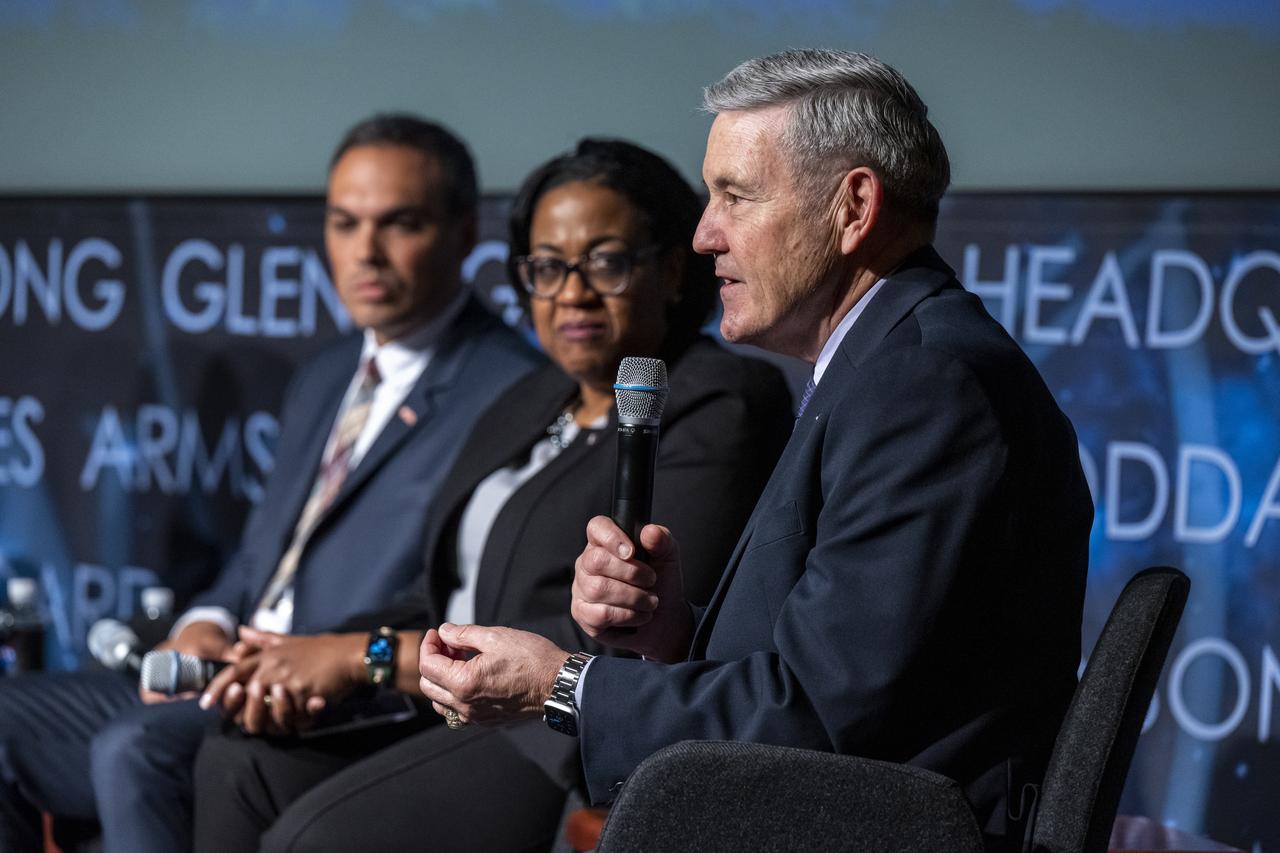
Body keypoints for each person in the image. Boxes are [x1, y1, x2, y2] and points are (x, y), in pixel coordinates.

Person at [417, 49, 1095, 851]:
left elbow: (816, 715)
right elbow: (849, 669)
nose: (705, 235)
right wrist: (672, 632)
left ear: (853, 207)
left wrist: (560, 685)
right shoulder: (882, 365)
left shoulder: (926, 387)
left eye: (735, 196)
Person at [189, 139, 793, 853]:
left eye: (604, 261)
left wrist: (366, 656)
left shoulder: (718, 399)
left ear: (666, 268)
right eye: (546, 267)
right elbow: (440, 590)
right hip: (444, 704)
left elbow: (641, 627)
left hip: (556, 727)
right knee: (236, 764)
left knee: (315, 838)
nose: (572, 291)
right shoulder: (533, 396)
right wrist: (311, 652)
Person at [0, 114, 543, 853]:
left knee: (137, 747)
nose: (365, 252)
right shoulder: (326, 375)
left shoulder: (509, 392)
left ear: (461, 232)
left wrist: (334, 658)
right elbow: (263, 561)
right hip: (224, 669)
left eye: (399, 224)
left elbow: (457, 599)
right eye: (344, 223)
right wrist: (207, 621)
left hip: (343, 701)